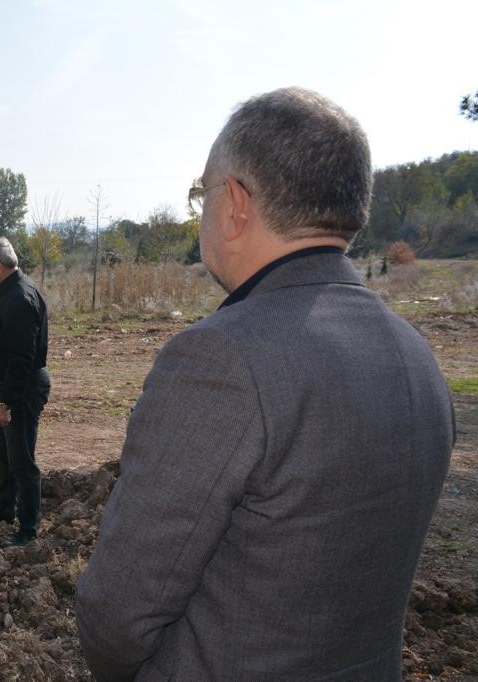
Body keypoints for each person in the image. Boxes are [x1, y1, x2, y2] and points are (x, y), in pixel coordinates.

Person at [76, 87, 455, 680]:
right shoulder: (413, 353)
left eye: (203, 192)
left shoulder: (221, 357)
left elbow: (119, 610)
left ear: (233, 203)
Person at [0, 237, 51, 549]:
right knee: (3, 452)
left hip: (22, 388)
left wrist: (6, 403)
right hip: (8, 386)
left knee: (22, 460)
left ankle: (28, 530)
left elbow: (22, 360)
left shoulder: (19, 299)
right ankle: (5, 507)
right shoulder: (6, 290)